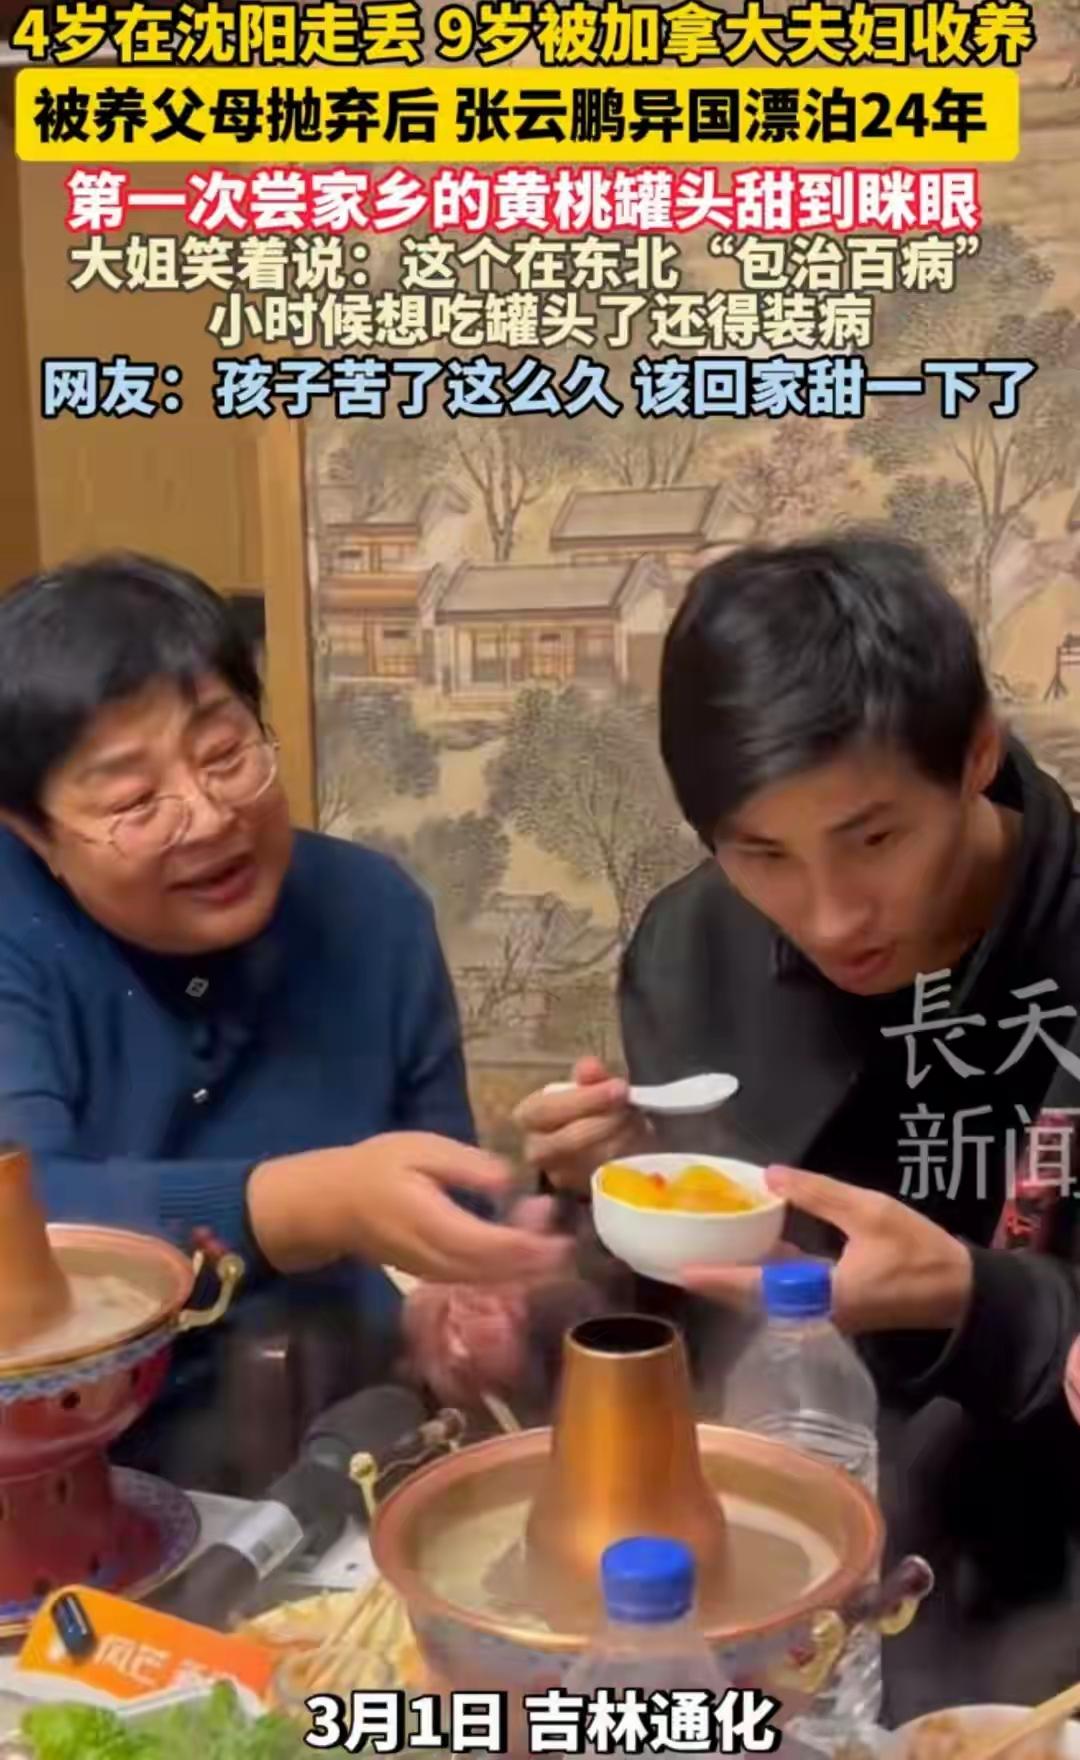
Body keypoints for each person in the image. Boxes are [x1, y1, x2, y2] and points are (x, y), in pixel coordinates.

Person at [513, 531, 1080, 1715]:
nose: (829, 915)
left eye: (875, 839)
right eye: (762, 853)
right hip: (763, 1558)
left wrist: (973, 1298)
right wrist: (602, 1195)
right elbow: (682, 1314)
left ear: (977, 753)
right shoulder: (691, 946)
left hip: (1044, 1600)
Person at [0, 554, 567, 1489]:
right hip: (63, 1474)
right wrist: (308, 1204)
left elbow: (443, 1208)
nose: (208, 816)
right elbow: (26, 1222)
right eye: (134, 801)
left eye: (226, 755)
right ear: (32, 832)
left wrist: (463, 1300)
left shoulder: (374, 913)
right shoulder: (13, 935)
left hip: (326, 1450)